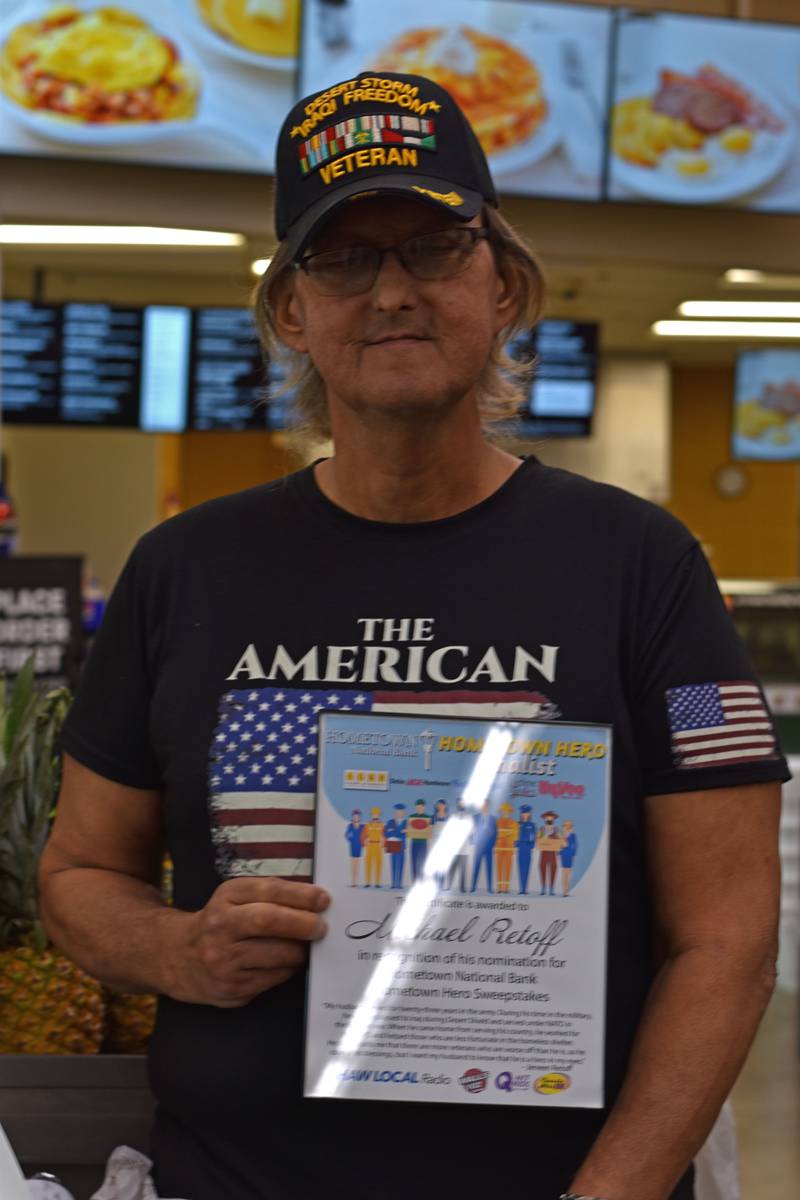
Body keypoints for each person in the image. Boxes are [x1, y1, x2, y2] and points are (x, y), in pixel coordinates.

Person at [39, 69, 787, 1200]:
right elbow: (82, 870)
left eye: (433, 247)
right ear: (290, 311)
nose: (391, 290)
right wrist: (170, 948)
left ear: (504, 286)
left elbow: (724, 942)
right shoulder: (185, 567)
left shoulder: (639, 566)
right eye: (341, 258)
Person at [470, 799, 497, 894]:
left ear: (488, 806)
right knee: (476, 867)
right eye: (482, 805)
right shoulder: (475, 818)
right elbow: (471, 832)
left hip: (489, 847)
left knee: (489, 867)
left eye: (486, 805)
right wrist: (473, 842)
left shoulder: (492, 819)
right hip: (479, 846)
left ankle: (490, 888)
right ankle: (473, 887)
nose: (484, 807)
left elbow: (495, 833)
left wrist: (493, 844)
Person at [538, 809, 565, 896]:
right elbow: (537, 840)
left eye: (551, 818)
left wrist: (559, 840)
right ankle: (543, 888)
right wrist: (545, 835)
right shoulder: (541, 829)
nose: (549, 820)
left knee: (553, 869)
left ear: (553, 819)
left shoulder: (557, 830)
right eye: (547, 818)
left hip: (553, 853)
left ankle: (551, 888)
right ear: (545, 819)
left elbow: (562, 841)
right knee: (542, 868)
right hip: (544, 853)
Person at [494, 800, 518, 894]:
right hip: (499, 849)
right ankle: (500, 888)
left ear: (510, 812)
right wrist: (507, 833)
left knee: (508, 869)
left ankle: (506, 888)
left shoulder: (514, 823)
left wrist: (502, 834)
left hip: (509, 850)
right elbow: (495, 835)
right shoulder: (497, 823)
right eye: (503, 811)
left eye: (507, 811)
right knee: (499, 869)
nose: (505, 812)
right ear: (501, 812)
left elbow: (515, 836)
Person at [383, 802, 407, 890]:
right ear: (394, 812)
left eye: (400, 812)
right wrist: (400, 832)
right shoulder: (390, 822)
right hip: (392, 844)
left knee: (400, 865)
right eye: (397, 811)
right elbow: (387, 833)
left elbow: (406, 835)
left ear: (403, 812)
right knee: (393, 864)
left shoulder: (406, 822)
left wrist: (394, 833)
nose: (398, 813)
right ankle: (393, 883)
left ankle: (399, 884)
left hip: (401, 845)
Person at [361, 806, 384, 887]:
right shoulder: (367, 825)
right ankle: (368, 882)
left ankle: (377, 883)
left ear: (379, 815)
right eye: (374, 814)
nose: (375, 816)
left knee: (378, 864)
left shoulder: (382, 825)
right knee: (368, 863)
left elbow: (385, 835)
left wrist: (383, 843)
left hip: (378, 846)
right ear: (371, 815)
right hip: (370, 846)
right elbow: (363, 835)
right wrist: (364, 842)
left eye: (377, 814)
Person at [516, 803, 536, 895]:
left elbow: (534, 837)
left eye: (527, 813)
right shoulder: (517, 824)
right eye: (523, 813)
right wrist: (516, 844)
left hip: (527, 849)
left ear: (529, 814)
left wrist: (532, 845)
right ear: (521, 814)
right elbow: (514, 836)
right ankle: (521, 889)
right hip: (520, 849)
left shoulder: (532, 825)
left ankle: (525, 889)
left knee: (526, 869)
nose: (525, 815)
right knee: (520, 869)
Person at [344, 808, 364, 886]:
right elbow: (346, 835)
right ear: (352, 817)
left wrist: (362, 842)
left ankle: (356, 880)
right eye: (354, 816)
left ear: (359, 817)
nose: (356, 818)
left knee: (357, 864)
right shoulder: (350, 826)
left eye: (357, 816)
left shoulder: (362, 826)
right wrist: (351, 840)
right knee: (353, 864)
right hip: (353, 846)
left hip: (359, 847)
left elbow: (365, 835)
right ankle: (353, 880)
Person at [560, 818, 578, 897]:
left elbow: (575, 846)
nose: (567, 827)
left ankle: (567, 889)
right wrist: (560, 852)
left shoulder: (573, 835)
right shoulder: (561, 835)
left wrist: (574, 855)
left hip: (570, 855)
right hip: (563, 855)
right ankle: (564, 890)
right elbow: (558, 847)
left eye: (568, 825)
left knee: (568, 873)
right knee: (564, 873)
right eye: (565, 825)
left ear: (570, 827)